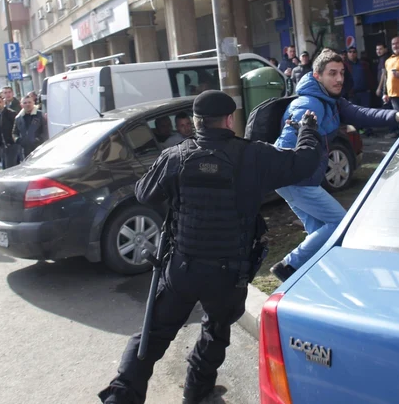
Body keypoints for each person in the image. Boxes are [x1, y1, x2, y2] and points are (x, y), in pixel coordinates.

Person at [98, 90, 322, 404]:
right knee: (216, 329)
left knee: (153, 335)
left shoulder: (175, 155)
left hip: (182, 270)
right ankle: (197, 393)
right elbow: (304, 163)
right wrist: (308, 128)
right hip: (228, 273)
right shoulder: (253, 154)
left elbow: (144, 194)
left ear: (195, 122)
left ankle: (121, 396)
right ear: (229, 119)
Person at [270, 49, 399, 281]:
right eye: (332, 73)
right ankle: (288, 266)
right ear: (317, 76)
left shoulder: (331, 100)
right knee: (341, 222)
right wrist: (293, 175)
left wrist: (398, 116)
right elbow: (287, 146)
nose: (339, 79)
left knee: (320, 233)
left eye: (341, 73)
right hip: (295, 180)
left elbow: (360, 114)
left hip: (301, 179)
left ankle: (318, 276)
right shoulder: (309, 104)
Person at [0, 94, 19, 169]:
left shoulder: (11, 113)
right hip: (1, 146)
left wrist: (14, 139)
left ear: (3, 103)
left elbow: (16, 128)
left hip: (11, 144)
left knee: (11, 166)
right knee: (4, 166)